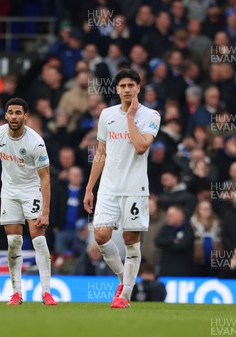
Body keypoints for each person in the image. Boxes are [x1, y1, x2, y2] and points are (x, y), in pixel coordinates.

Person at [83, 69, 161, 309]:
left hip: (135, 189)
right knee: (101, 236)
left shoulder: (151, 115)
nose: (127, 89)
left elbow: (140, 147)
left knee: (130, 239)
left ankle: (125, 295)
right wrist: (89, 188)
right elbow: (101, 153)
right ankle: (122, 279)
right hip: (108, 187)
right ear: (117, 89)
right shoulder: (106, 115)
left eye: (131, 85)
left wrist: (130, 117)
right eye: (122, 86)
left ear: (138, 87)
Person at [0, 97, 57, 306]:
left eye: (18, 113)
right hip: (9, 192)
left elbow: (45, 178)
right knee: (13, 242)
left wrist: (46, 211)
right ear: (5, 115)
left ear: (25, 116)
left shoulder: (36, 142)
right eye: (10, 112)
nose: (14, 116)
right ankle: (16, 293)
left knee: (38, 239)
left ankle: (47, 293)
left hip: (31, 190)